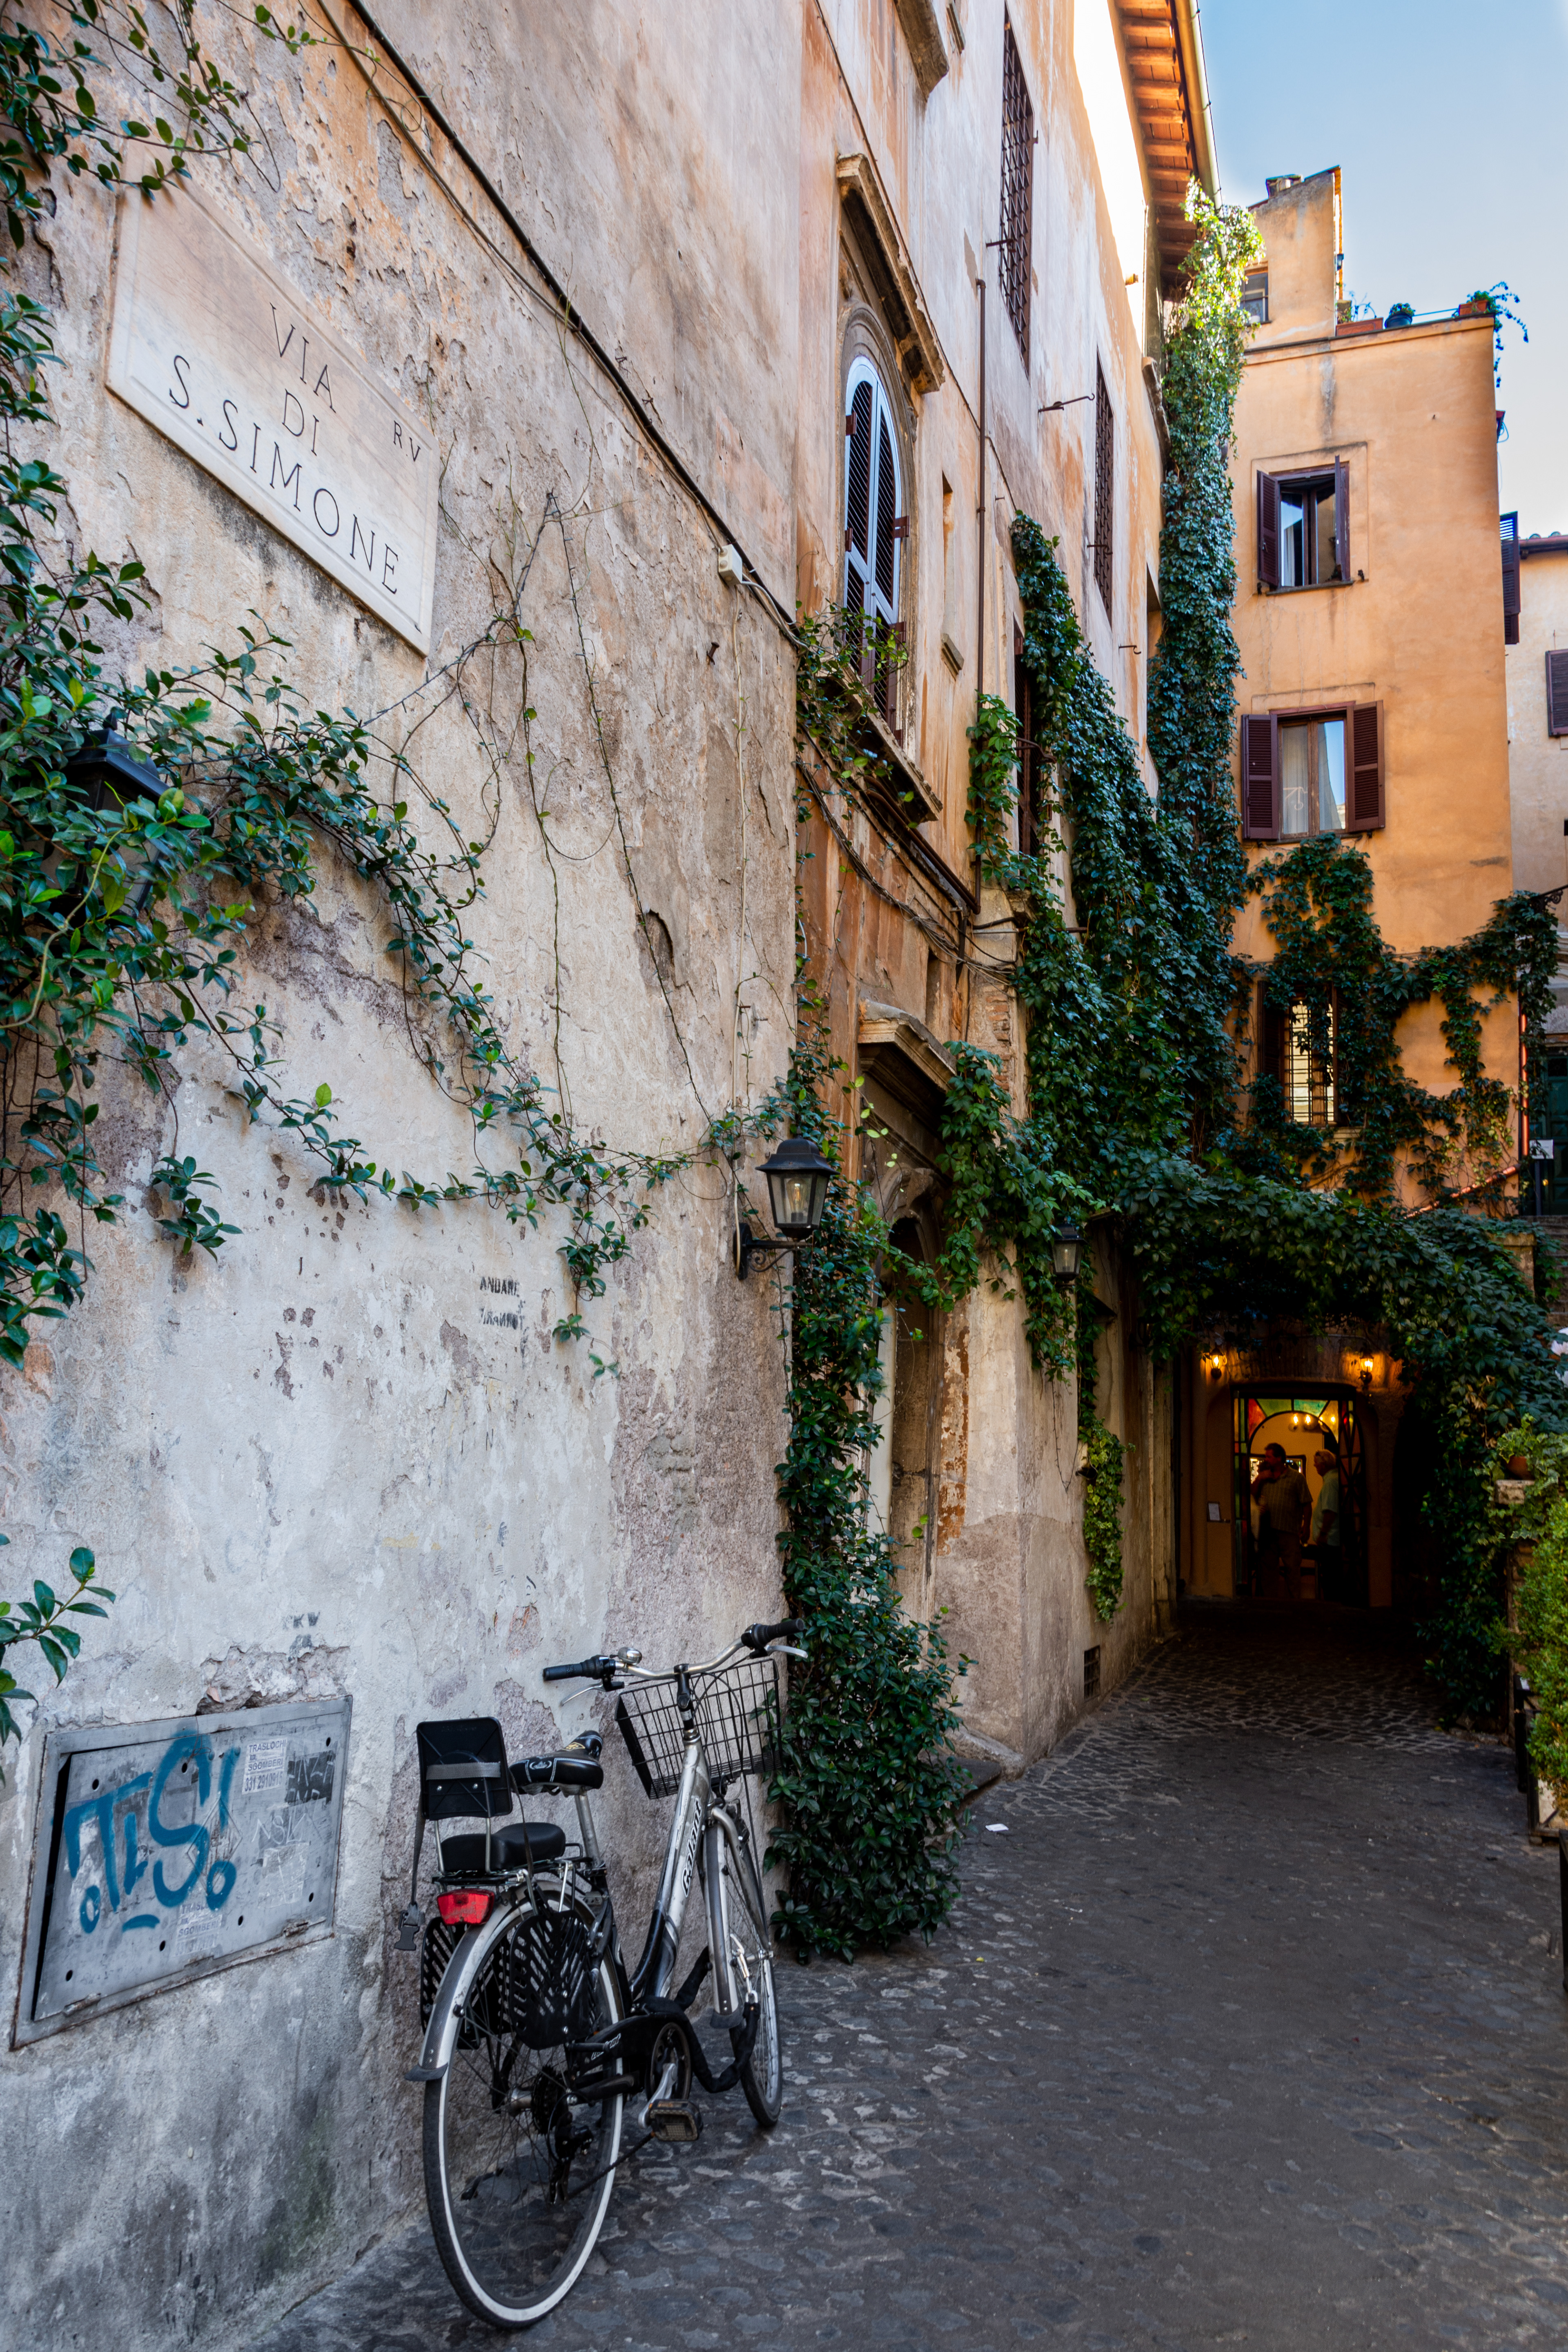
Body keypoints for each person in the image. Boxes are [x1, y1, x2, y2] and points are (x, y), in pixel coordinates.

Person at [1251, 1443, 1310, 1601]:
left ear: (1279, 1458)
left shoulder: (1296, 1478)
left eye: (1269, 1456)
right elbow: (1250, 1496)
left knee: (1292, 1568)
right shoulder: (1264, 1477)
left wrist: (1307, 1527)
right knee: (1269, 1569)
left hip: (1289, 1530)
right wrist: (1259, 1479)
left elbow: (1306, 1503)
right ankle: (1271, 1602)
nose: (1266, 1459)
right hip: (1268, 1531)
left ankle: (1293, 1602)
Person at [1306, 1447, 1341, 1599]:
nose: (1315, 1466)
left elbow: (1330, 1511)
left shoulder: (1330, 1483)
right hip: (1332, 1539)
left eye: (1316, 1463)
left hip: (1330, 1541)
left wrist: (1323, 1534)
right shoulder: (1334, 1480)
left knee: (1330, 1579)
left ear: (1324, 1465)